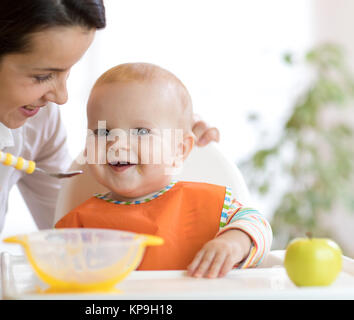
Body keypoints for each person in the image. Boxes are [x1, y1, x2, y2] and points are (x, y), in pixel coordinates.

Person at [0, 1, 217, 299]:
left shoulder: (35, 118)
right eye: (43, 76)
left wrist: (161, 142)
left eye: (68, 71)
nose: (62, 97)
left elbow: (78, 244)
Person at [55, 62, 273, 278]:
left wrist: (233, 244)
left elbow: (259, 226)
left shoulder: (211, 205)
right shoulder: (77, 225)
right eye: (102, 132)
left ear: (179, 149)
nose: (117, 144)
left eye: (141, 131)